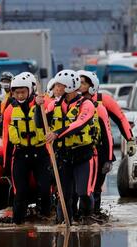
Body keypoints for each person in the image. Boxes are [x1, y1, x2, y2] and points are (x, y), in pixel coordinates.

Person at [42, 69, 101, 222]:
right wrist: (38, 108)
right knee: (64, 194)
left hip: (82, 154)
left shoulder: (86, 104)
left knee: (83, 192)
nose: (55, 89)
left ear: (68, 87)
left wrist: (57, 133)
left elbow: (79, 124)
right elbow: (39, 122)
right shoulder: (54, 104)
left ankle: (87, 220)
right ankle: (64, 224)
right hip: (63, 155)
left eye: (59, 86)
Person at [1, 73, 53, 223]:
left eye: (23, 92)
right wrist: (5, 165)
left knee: (45, 189)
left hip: (40, 153)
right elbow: (6, 139)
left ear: (30, 90)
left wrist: (41, 103)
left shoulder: (41, 102)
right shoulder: (10, 110)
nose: (20, 95)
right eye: (16, 92)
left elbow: (51, 105)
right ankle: (18, 224)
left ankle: (46, 218)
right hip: (20, 155)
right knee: (20, 192)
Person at [76, 70, 115, 214]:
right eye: (78, 82)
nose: (80, 86)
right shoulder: (73, 106)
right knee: (78, 189)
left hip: (99, 152)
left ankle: (94, 215)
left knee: (95, 188)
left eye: (83, 83)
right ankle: (77, 216)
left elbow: (107, 134)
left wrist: (109, 159)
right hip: (80, 153)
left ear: (92, 86)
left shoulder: (100, 108)